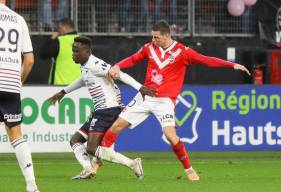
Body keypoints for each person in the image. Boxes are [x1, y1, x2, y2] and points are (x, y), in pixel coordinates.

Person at [94, 20, 251, 181]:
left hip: (165, 102)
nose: (153, 40)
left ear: (167, 36)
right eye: (153, 37)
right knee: (116, 126)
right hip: (145, 97)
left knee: (170, 135)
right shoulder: (149, 48)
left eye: (156, 37)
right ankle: (97, 163)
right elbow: (134, 59)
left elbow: (206, 60)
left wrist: (231, 65)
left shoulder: (183, 52)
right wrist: (118, 66)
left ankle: (189, 170)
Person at [48, 36, 155, 180]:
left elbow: (119, 73)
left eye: (76, 51)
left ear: (86, 51)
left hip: (108, 110)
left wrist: (139, 87)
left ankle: (132, 163)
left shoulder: (96, 64)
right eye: (73, 51)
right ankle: (88, 169)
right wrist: (63, 92)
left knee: (92, 148)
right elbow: (84, 80)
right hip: (100, 111)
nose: (73, 54)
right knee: (75, 140)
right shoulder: (85, 66)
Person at [0, 1, 40, 191]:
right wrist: (18, 81)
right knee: (16, 136)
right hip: (11, 84)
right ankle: (31, 185)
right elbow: (30, 59)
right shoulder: (19, 19)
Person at [39, 18, 80, 85]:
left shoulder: (59, 41)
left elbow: (42, 54)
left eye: (59, 28)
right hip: (79, 86)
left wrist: (52, 38)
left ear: (63, 28)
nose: (58, 30)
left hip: (59, 86)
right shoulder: (83, 41)